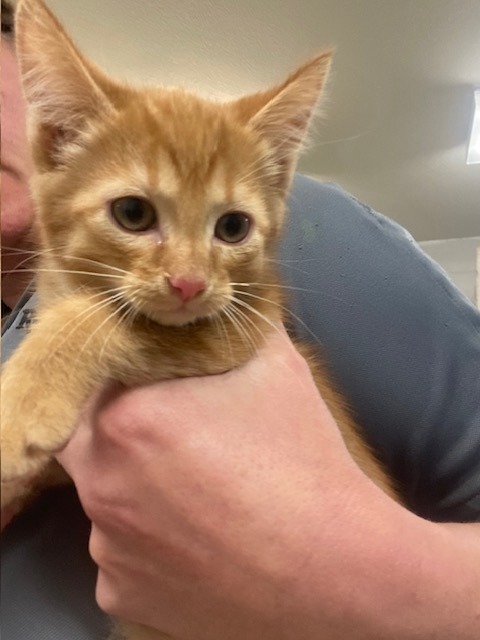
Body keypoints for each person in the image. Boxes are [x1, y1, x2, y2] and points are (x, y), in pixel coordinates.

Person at [2, 1, 479, 639]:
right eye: (138, 216)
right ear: (56, 138)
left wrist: (370, 579)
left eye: (231, 226)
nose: (190, 278)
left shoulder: (323, 240)